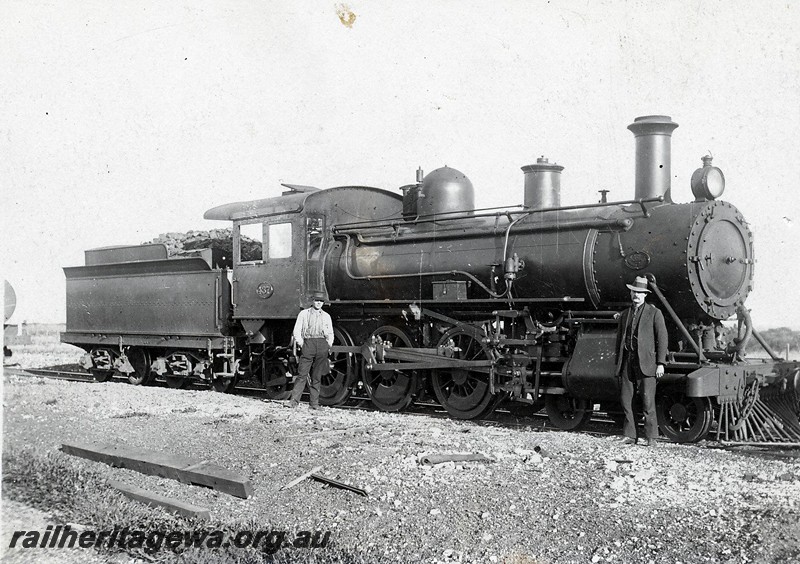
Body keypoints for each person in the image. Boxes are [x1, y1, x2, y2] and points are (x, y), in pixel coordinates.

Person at [618, 276, 668, 446]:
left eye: (640, 293)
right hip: (627, 361)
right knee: (627, 400)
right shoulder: (625, 314)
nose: (636, 295)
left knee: (648, 401)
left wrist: (660, 363)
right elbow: (619, 340)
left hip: (647, 363)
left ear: (645, 295)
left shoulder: (655, 313)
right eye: (634, 292)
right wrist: (618, 363)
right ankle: (630, 435)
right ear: (631, 293)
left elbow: (662, 339)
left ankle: (651, 437)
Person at [289, 292, 334, 410]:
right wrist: (302, 343)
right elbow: (297, 330)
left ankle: (314, 404)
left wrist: (328, 344)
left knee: (317, 376)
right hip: (308, 343)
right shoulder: (304, 314)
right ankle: (294, 401)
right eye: (317, 300)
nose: (319, 303)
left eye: (321, 301)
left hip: (322, 343)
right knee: (302, 374)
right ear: (312, 301)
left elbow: (330, 333)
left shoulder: (326, 316)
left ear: (323, 303)